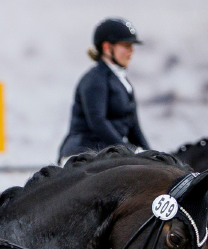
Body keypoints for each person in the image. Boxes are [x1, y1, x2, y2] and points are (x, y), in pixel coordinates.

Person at [57, 18, 150, 163]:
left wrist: (151, 154)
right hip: (85, 153)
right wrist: (128, 150)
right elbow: (97, 121)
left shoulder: (123, 82)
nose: (131, 51)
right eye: (126, 45)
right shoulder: (95, 80)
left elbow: (134, 127)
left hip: (110, 151)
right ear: (107, 47)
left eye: (132, 45)